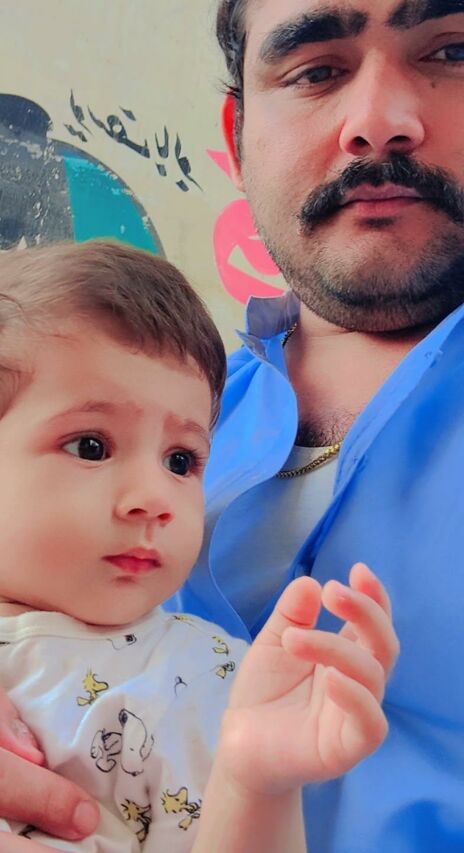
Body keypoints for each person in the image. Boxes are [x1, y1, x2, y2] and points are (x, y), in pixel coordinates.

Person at [0, 241, 396, 852]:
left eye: (181, 461)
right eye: (91, 446)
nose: (155, 497)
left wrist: (255, 784)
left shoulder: (206, 678)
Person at [166, 0, 464, 850]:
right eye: (316, 71)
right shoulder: (164, 415)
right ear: (238, 139)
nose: (379, 121)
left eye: (452, 53)